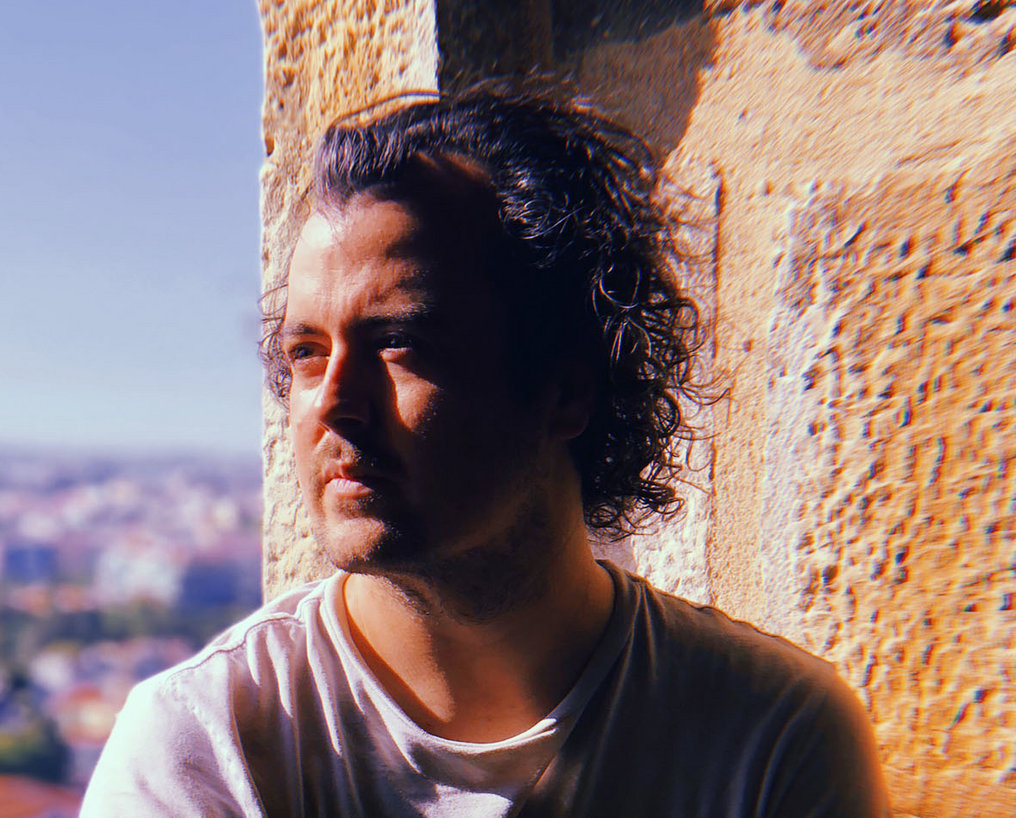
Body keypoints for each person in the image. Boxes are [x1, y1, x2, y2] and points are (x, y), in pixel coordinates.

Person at [81, 82, 888, 817]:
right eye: (306, 353)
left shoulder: (769, 736)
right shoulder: (209, 741)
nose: (332, 402)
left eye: (399, 343)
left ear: (566, 388)